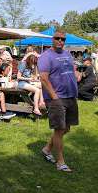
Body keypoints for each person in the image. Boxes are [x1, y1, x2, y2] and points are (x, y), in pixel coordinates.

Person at [39, 29, 79, 172]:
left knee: (65, 128)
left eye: (63, 39)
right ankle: (60, 162)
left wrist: (76, 74)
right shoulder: (45, 56)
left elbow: (71, 69)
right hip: (56, 97)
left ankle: (47, 149)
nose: (60, 41)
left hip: (70, 95)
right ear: (52, 39)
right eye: (57, 38)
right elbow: (43, 78)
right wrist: (54, 96)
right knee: (59, 128)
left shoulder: (67, 54)